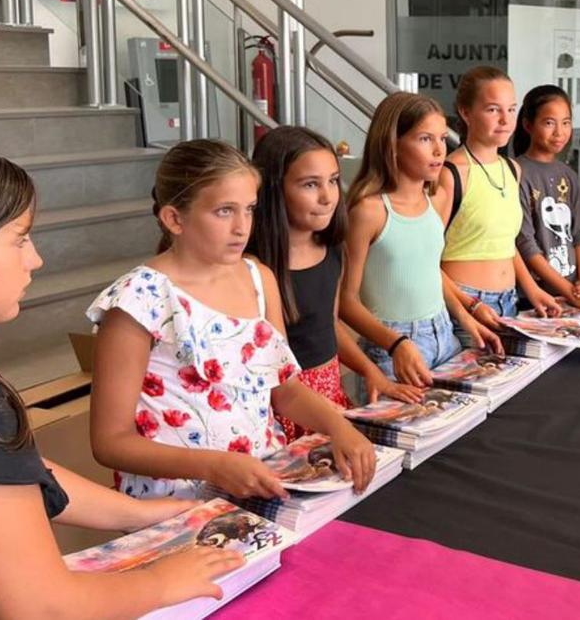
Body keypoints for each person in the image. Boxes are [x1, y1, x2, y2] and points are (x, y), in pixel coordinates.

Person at [0, 145, 244, 617]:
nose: (36, 260)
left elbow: (22, 473)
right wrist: (161, 581)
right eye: (19, 239)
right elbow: (42, 607)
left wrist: (147, 513)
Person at [88, 140, 376, 501]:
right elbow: (110, 441)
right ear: (174, 218)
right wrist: (214, 466)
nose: (242, 227)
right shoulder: (137, 301)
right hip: (175, 503)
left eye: (250, 209)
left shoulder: (259, 278)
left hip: (262, 482)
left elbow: (284, 390)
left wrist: (339, 426)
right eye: (224, 211)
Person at [246, 125, 423, 427]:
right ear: (274, 187)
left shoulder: (333, 250)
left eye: (333, 180)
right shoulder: (251, 269)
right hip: (285, 407)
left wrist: (371, 371)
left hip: (331, 391)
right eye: (310, 184)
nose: (328, 197)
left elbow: (326, 326)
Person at [342, 92, 501, 391]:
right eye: (425, 139)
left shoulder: (435, 199)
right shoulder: (368, 210)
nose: (439, 150)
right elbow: (345, 302)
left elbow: (429, 271)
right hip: (394, 348)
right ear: (393, 144)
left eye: (442, 138)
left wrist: (467, 319)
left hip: (446, 336)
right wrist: (396, 344)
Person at [440, 66, 561, 322]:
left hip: (509, 301)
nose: (506, 120)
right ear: (466, 112)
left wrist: (532, 289)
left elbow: (507, 245)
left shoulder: (512, 169)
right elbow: (425, 258)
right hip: (465, 304)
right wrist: (469, 306)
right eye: (493, 109)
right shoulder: (451, 173)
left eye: (511, 109)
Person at [513, 84, 580, 314]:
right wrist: (572, 293)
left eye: (566, 122)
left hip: (573, 292)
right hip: (536, 296)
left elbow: (579, 235)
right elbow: (525, 244)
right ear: (528, 125)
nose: (559, 132)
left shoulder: (569, 175)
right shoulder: (517, 172)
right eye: (549, 123)